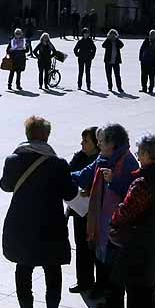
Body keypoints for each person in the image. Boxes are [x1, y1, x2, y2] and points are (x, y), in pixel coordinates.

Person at [0, 116, 78, 308]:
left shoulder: (13, 160)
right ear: (46, 136)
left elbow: (5, 186)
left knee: (23, 268)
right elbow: (70, 194)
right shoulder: (58, 164)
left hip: (21, 224)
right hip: (50, 225)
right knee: (52, 269)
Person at [108, 133, 155, 308]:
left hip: (139, 242)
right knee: (148, 284)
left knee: (136, 287)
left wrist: (114, 218)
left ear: (147, 154)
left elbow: (126, 212)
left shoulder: (143, 182)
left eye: (139, 153)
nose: (138, 157)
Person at [72, 124, 139, 308]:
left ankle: (115, 307)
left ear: (112, 143)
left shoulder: (128, 162)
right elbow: (83, 175)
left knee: (115, 270)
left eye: (101, 142)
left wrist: (113, 182)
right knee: (104, 265)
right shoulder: (103, 159)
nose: (98, 145)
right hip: (101, 223)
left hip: (117, 225)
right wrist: (60, 176)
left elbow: (133, 193)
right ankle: (109, 301)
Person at [68, 126, 100, 294]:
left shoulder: (100, 160)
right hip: (78, 209)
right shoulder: (79, 157)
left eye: (86, 141)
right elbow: (67, 175)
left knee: (94, 248)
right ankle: (83, 281)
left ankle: (98, 285)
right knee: (81, 246)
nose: (82, 143)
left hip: (94, 212)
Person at [139, 29, 155, 93]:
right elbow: (141, 49)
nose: (151, 35)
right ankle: (144, 88)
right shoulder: (146, 41)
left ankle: (151, 88)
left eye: (153, 34)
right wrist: (140, 58)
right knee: (144, 76)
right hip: (144, 61)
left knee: (152, 76)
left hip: (153, 62)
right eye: (151, 34)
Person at [102, 28, 124, 93]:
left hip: (116, 61)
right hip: (108, 61)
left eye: (114, 35)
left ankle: (119, 88)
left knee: (117, 75)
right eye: (111, 35)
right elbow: (103, 45)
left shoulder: (117, 41)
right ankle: (110, 87)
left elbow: (122, 45)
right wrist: (108, 38)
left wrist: (117, 39)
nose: (112, 36)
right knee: (109, 75)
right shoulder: (108, 41)